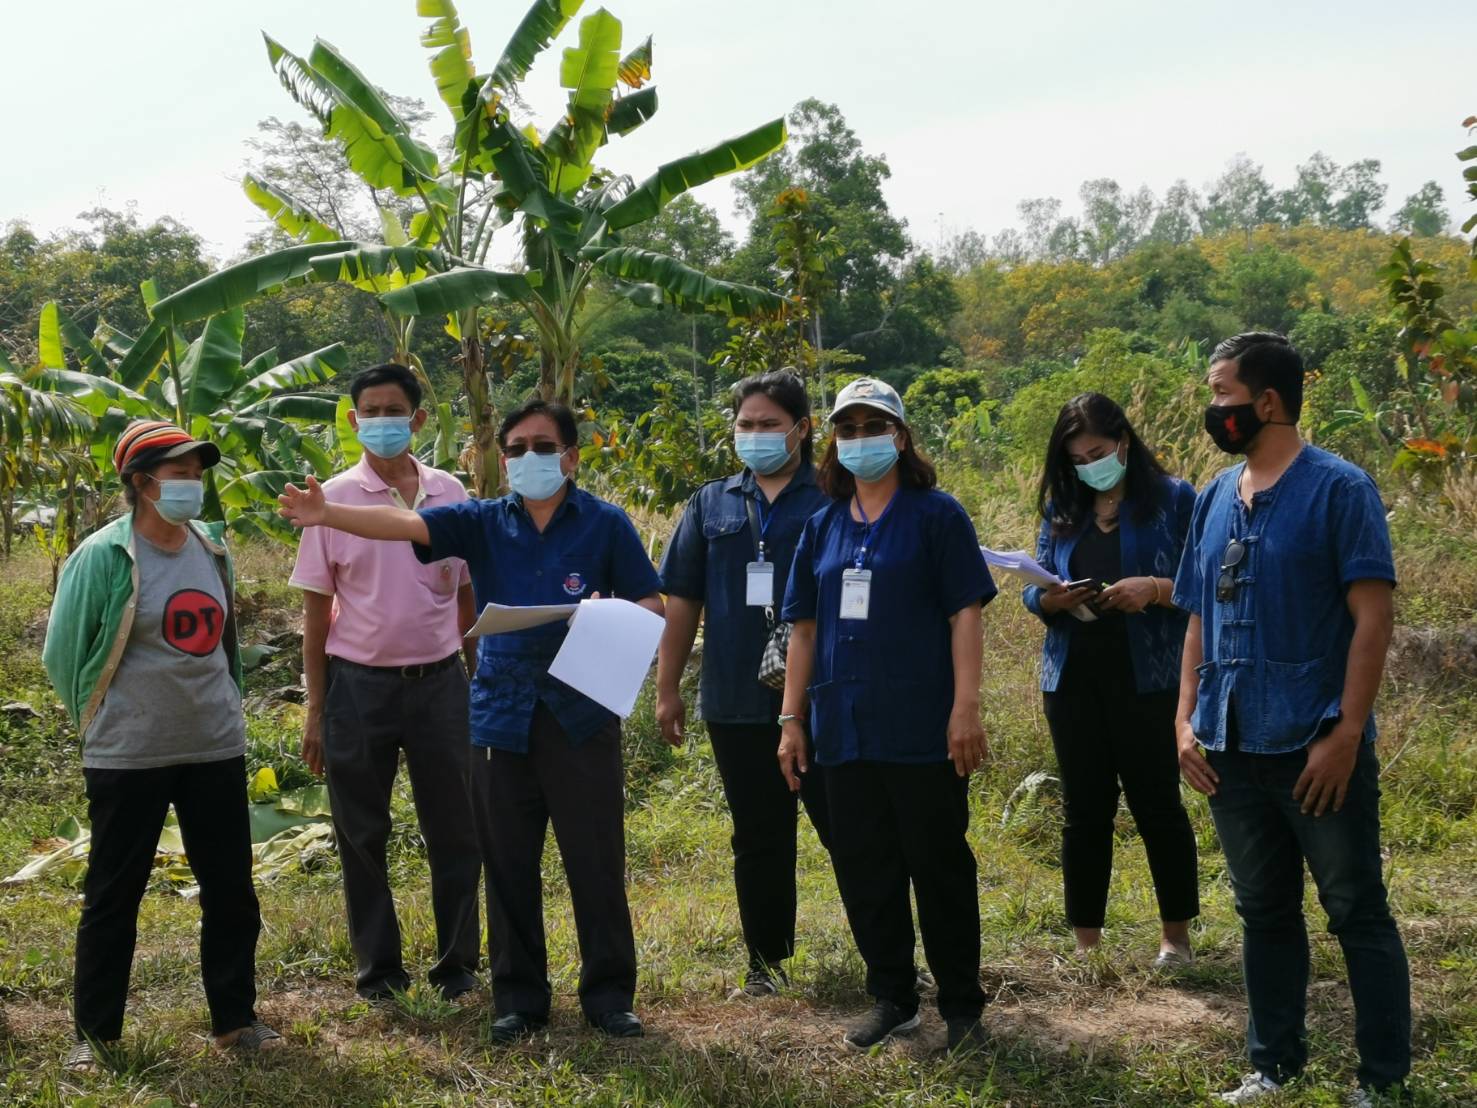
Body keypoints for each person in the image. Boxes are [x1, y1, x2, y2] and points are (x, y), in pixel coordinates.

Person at [278, 399, 664, 1043]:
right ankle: (519, 997)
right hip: (500, 717)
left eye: (542, 447)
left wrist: (611, 611)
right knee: (507, 860)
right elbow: (402, 527)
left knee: (595, 859)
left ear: (571, 457)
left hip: (581, 711)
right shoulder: (482, 522)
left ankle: (607, 995)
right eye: (514, 448)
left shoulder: (606, 523)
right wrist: (324, 515)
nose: (527, 459)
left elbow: (652, 599)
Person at [1172, 333, 1409, 1106]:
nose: (1212, 410)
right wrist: (1184, 721)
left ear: (1264, 402)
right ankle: (1272, 1065)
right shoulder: (1213, 497)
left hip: (1314, 745)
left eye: (1220, 395)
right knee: (1262, 910)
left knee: (1353, 908)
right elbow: (1198, 620)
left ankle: (1381, 1079)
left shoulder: (1339, 489)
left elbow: (1370, 621)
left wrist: (1345, 734)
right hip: (1230, 745)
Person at [42, 420, 280, 1072]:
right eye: (178, 473)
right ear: (142, 483)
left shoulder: (214, 549)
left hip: (213, 747)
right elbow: (62, 655)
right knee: (112, 897)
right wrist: (102, 719)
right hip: (128, 755)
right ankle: (96, 1038)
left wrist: (226, 707)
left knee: (231, 890)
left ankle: (236, 1021)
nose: (191, 484)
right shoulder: (103, 556)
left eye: (196, 472)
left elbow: (223, 643)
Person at [777, 377, 995, 1054]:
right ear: (832, 442)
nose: (860, 441)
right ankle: (892, 997)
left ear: (900, 437)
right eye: (848, 429)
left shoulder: (937, 516)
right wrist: (790, 719)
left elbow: (964, 613)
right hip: (842, 726)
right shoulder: (822, 525)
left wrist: (965, 708)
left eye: (874, 428)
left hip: (922, 725)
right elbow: (803, 631)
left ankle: (960, 1004)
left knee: (937, 865)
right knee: (864, 867)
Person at [289, 364, 482, 1003]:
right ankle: (380, 972)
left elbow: (467, 595)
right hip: (359, 687)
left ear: (418, 420)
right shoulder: (331, 499)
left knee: (456, 828)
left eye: (393, 410)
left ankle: (457, 968)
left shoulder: (452, 493)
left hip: (440, 686)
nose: (381, 421)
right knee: (361, 832)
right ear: (353, 420)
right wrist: (316, 710)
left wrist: (474, 677)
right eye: (369, 410)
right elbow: (316, 614)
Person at [656, 369, 835, 998]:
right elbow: (682, 599)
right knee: (758, 836)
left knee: (852, 827)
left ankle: (886, 955)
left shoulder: (833, 499)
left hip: (821, 698)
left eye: (769, 425)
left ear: (803, 430)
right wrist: (668, 685)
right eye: (745, 425)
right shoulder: (712, 503)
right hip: (734, 695)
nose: (754, 436)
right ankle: (768, 965)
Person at [1022, 393, 1200, 964]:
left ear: (1123, 442)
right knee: (1085, 809)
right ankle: (1087, 944)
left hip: (1148, 678)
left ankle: (1175, 936)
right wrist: (1049, 599)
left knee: (1157, 804)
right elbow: (1034, 587)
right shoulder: (1063, 506)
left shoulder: (1173, 500)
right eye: (1076, 458)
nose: (1088, 465)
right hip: (1073, 678)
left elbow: (1203, 584)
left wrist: (1152, 588)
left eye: (1096, 452)